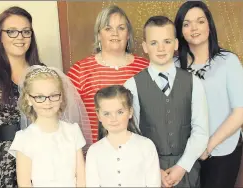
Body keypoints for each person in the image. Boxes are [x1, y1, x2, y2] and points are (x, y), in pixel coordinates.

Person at [124, 16, 209, 187]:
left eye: (167, 41)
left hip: (186, 170)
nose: (161, 48)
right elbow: (131, 134)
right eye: (154, 43)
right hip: (148, 171)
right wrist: (154, 170)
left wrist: (182, 167)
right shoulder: (132, 86)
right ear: (145, 47)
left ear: (176, 44)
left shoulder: (193, 82)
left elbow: (201, 131)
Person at [174, 1, 243, 188]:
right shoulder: (173, 65)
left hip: (221, 150)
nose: (194, 28)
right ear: (180, 30)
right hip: (184, 153)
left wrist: (209, 146)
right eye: (186, 23)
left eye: (200, 21)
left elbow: (240, 112)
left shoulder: (228, 61)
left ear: (209, 26)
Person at [0, 6, 43, 187]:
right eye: (11, 31)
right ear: (0, 37)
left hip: (41, 160)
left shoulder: (42, 72)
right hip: (6, 166)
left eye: (25, 31)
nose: (20, 37)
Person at [67, 5, 149, 143]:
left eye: (121, 28)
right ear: (99, 34)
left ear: (128, 34)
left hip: (137, 152)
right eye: (108, 28)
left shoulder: (145, 68)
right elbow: (69, 120)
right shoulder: (80, 70)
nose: (115, 33)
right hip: (94, 153)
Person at [8, 65, 90, 187]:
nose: (47, 102)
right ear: (29, 99)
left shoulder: (72, 131)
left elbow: (81, 177)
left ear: (61, 96)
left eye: (53, 95)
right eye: (40, 97)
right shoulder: (24, 138)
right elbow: (24, 183)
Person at [85, 85, 161, 187]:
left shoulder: (146, 146)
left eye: (120, 112)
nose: (113, 118)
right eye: (107, 113)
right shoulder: (94, 151)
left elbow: (153, 183)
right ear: (98, 115)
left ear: (130, 112)